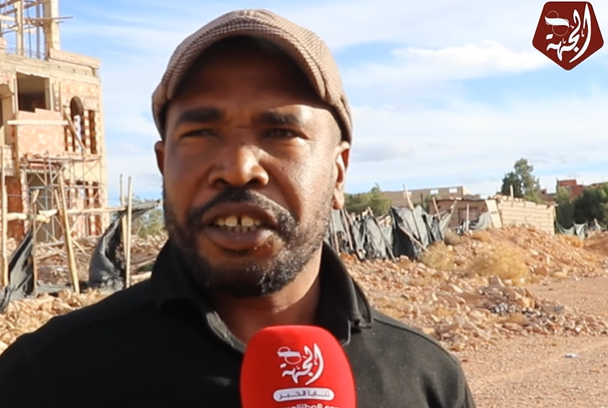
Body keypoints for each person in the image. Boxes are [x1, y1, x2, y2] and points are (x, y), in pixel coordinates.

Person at [0, 9, 476, 408]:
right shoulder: (44, 380)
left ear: (338, 172)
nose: (238, 168)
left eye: (281, 132)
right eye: (201, 133)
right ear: (164, 166)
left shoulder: (427, 381)